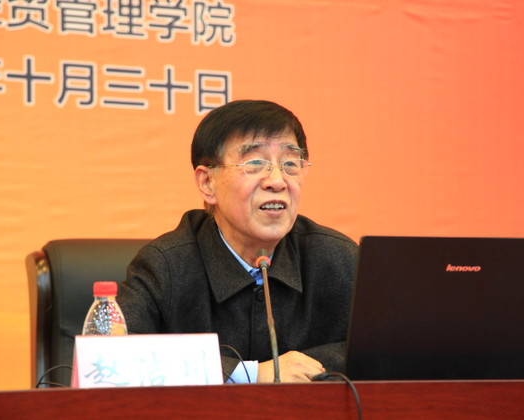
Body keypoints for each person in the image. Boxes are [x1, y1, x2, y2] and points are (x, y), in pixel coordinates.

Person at [118, 99, 357, 383]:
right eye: (255, 163)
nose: (277, 181)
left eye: (290, 163)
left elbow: (386, 352)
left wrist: (308, 368)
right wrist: (253, 374)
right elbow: (114, 361)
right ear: (207, 183)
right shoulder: (165, 265)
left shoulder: (338, 258)